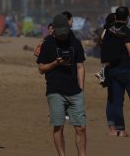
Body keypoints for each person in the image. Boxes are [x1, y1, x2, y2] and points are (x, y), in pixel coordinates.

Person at [37, 13, 87, 156]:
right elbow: (41, 69)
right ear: (53, 29)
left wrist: (81, 89)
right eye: (59, 34)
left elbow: (80, 67)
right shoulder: (48, 44)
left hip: (75, 91)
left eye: (64, 33)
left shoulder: (76, 42)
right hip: (55, 91)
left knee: (81, 128)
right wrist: (55, 63)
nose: (62, 36)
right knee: (58, 126)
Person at [100, 6, 130, 137]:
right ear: (128, 18)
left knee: (117, 102)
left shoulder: (108, 30)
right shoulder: (125, 30)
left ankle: (121, 130)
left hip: (113, 69)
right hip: (126, 69)